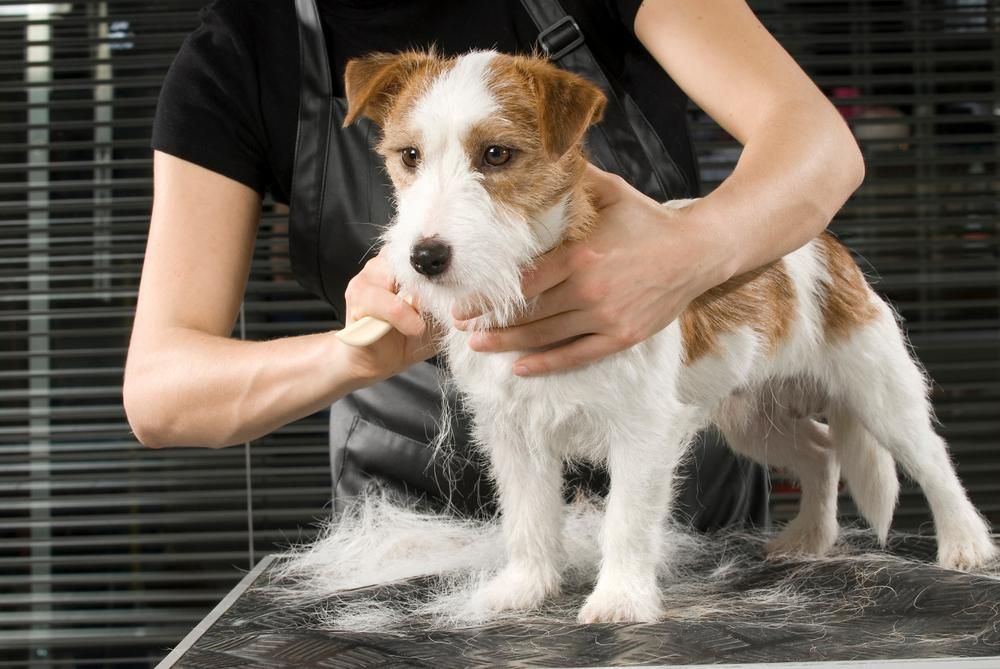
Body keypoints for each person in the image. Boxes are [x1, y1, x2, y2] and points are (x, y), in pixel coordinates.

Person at [123, 0, 864, 528]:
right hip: (423, 522)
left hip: (671, 497)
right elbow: (160, 391)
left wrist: (686, 255)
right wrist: (352, 354)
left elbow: (820, 149)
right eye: (408, 158)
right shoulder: (244, 49)